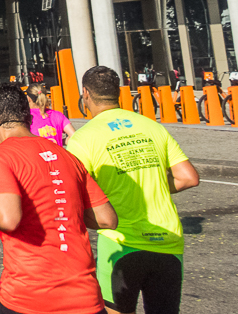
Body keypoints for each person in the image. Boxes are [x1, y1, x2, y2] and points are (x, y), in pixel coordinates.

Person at [67, 66, 200, 314]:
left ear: (85, 94)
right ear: (118, 93)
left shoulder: (83, 139)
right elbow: (188, 177)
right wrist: (154, 183)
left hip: (121, 243)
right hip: (168, 241)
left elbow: (71, 193)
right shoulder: (152, 126)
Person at [0, 84, 117, 314]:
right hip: (84, 297)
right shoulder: (67, 156)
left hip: (29, 297)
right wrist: (60, 209)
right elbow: (106, 219)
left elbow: (7, 217)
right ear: (27, 116)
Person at [26, 82, 75, 146]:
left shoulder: (27, 117)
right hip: (57, 154)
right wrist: (60, 141)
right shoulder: (57, 115)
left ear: (28, 98)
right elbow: (74, 136)